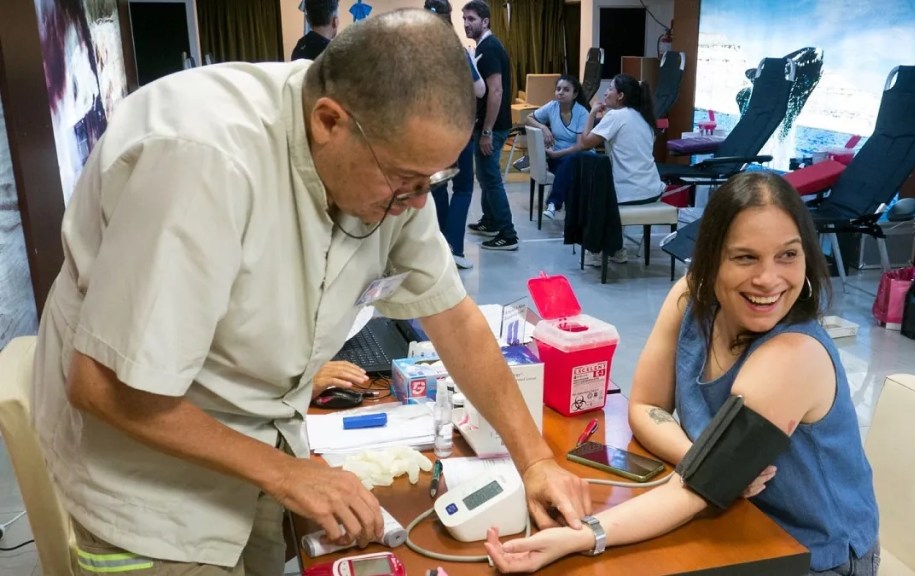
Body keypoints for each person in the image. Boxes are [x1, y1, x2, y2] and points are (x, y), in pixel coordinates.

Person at [31, 10, 590, 576]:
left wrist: (536, 461)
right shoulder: (201, 159)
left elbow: (454, 318)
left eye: (433, 181)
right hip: (146, 491)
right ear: (329, 122)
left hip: (256, 453)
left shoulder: (390, 163)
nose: (418, 202)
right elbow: (105, 387)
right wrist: (287, 475)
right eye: (405, 180)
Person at [485, 172, 880, 575]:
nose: (768, 279)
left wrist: (585, 534)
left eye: (788, 255)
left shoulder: (792, 356)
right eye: (745, 257)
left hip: (812, 555)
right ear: (711, 258)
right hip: (729, 518)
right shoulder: (692, 299)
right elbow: (645, 406)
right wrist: (705, 461)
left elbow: (694, 491)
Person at [572, 74, 666, 266]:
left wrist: (592, 113)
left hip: (628, 193)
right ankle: (617, 249)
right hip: (652, 190)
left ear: (620, 95)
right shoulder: (644, 117)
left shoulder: (616, 115)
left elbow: (585, 143)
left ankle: (596, 250)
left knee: (592, 189)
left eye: (610, 89)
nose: (605, 92)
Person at [426, 0, 486, 270]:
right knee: (462, 189)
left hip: (430, 130)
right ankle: (455, 249)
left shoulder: (417, 51)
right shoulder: (457, 51)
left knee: (437, 187)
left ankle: (439, 250)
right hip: (459, 129)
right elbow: (481, 90)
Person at [462, 0, 518, 251]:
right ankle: (491, 220)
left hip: (492, 128)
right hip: (485, 124)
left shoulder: (491, 48)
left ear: (485, 21)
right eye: (464, 19)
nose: (466, 23)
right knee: (484, 176)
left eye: (471, 19)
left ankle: (508, 234)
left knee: (491, 178)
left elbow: (495, 92)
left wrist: (486, 131)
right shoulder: (482, 47)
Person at [522, 75, 589, 220]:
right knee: (568, 171)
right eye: (558, 89)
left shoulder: (582, 113)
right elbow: (528, 118)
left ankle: (553, 203)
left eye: (566, 90)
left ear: (575, 94)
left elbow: (579, 146)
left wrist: (556, 155)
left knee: (570, 161)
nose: (560, 92)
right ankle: (571, 218)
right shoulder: (552, 106)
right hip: (558, 159)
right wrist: (544, 128)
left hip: (577, 157)